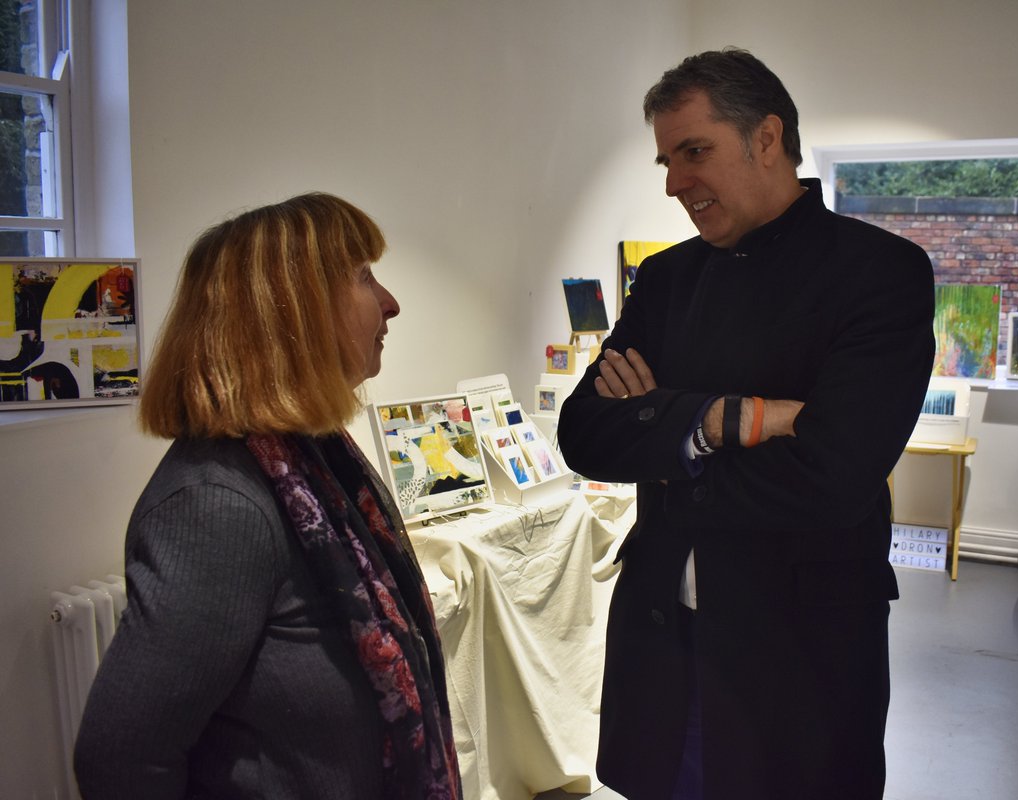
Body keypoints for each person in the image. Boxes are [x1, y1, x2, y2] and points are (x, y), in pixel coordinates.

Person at [557, 49, 935, 799]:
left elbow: (833, 478)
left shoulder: (879, 272)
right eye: (666, 161)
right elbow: (584, 433)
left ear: (767, 138)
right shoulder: (667, 278)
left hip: (797, 656)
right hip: (665, 644)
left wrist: (662, 439)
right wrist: (725, 422)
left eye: (694, 152)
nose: (673, 183)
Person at [73, 194, 462, 800]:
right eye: (364, 277)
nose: (390, 302)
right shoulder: (217, 505)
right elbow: (120, 756)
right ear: (296, 312)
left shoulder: (313, 460)